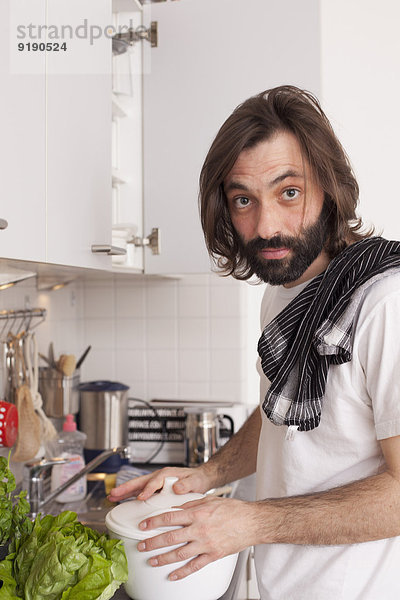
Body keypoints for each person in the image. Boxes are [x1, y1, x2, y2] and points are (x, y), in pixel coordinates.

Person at [108, 85, 400, 599]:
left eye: (289, 192)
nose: (266, 226)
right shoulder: (285, 295)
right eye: (244, 199)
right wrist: (205, 475)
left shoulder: (384, 305)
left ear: (329, 188)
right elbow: (279, 414)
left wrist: (249, 524)